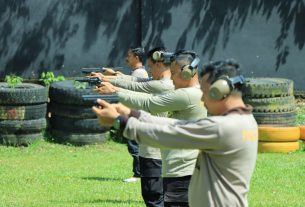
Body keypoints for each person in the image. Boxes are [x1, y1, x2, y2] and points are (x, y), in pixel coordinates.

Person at [92, 59, 258, 207]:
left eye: (206, 92)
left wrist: (120, 122)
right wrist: (133, 114)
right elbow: (179, 126)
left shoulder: (224, 127)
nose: (202, 100)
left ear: (220, 91)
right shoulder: (245, 121)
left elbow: (169, 135)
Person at [96, 50, 207, 206]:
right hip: (182, 167)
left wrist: (115, 92)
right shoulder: (193, 93)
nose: (171, 78)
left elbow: (149, 103)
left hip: (183, 170)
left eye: (173, 73)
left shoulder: (187, 95)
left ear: (188, 73)